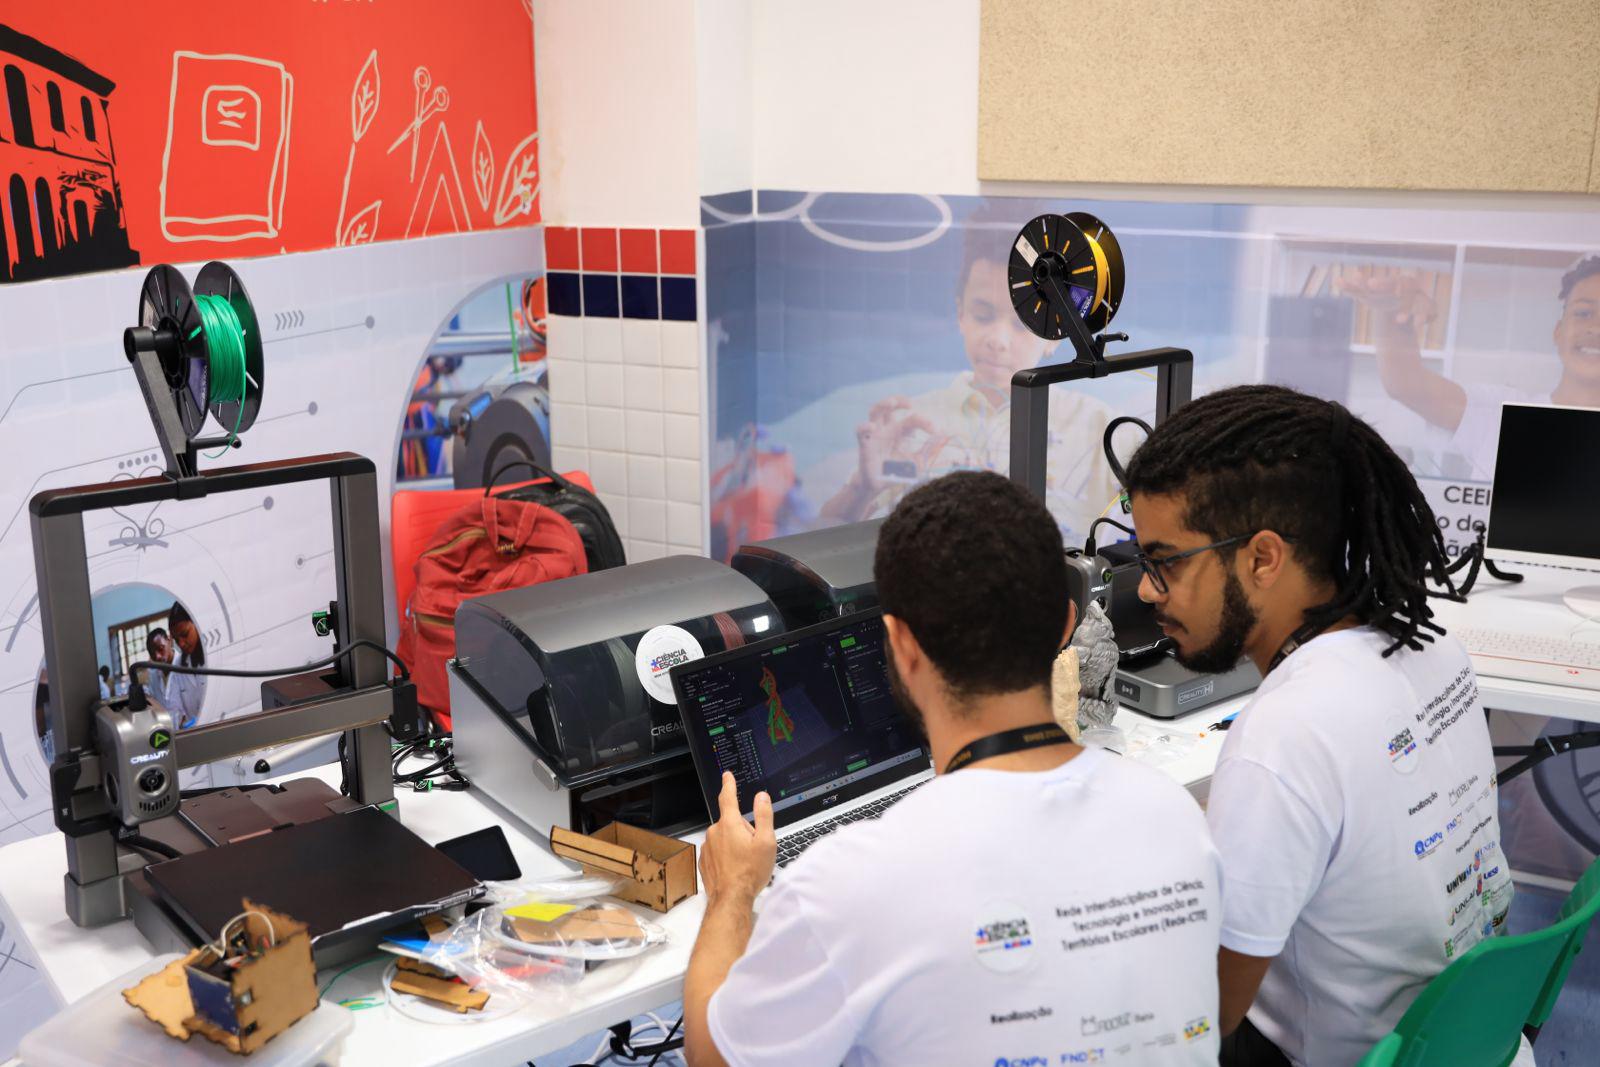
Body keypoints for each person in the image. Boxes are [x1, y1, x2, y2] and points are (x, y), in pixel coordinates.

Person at [685, 471, 1224, 1067]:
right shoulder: (1178, 818)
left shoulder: (844, 886)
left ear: (899, 645)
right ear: (1066, 624)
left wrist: (732, 893)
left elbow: (713, 1058)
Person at [1123, 385, 1510, 1066]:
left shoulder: (1284, 735)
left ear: (1263, 558)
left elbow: (1208, 1014)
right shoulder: (1435, 647)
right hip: (1473, 1039)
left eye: (1166, 561)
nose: (1146, 589)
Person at [818, 203, 1121, 545]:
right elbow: (827, 544)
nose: (997, 340)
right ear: (960, 313)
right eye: (983, 315)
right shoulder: (911, 424)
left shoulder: (1101, 428)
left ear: (1056, 333)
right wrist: (862, 486)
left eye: (1021, 324)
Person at [1341, 254, 1600, 480]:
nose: (1596, 329)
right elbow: (1406, 384)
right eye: (1583, 313)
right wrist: (1395, 314)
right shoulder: (1501, 413)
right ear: (1558, 331)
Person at [145, 608, 206, 729]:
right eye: (177, 639)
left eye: (185, 634)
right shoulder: (177, 667)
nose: (181, 643)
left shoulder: (209, 657)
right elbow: (174, 708)